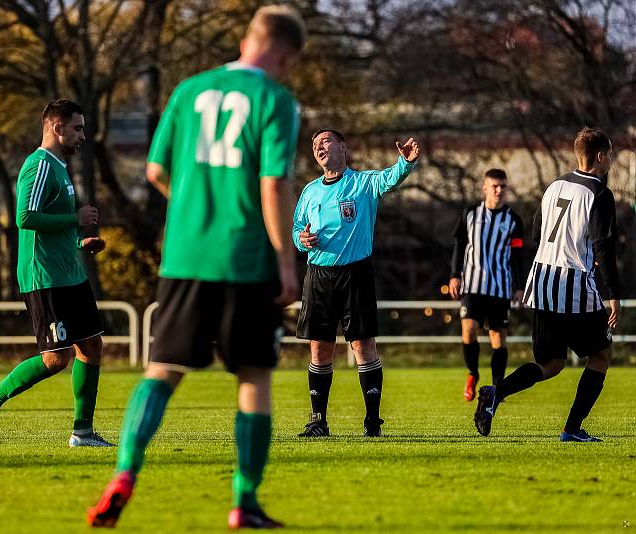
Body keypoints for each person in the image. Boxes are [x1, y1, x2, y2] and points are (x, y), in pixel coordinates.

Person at [86, 5, 305, 529]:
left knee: (162, 371)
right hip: (245, 259)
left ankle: (124, 473)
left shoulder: (187, 90)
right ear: (283, 52)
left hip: (184, 256)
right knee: (253, 378)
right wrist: (285, 261)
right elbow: (273, 184)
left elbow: (157, 169)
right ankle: (243, 502)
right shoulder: (275, 100)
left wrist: (189, 204)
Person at [0, 99, 111, 448]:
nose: (82, 135)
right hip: (44, 277)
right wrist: (74, 219)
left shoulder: (61, 167)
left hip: (69, 273)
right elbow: (25, 218)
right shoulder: (40, 165)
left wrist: (80, 240)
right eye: (77, 128)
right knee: (55, 359)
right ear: (57, 127)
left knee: (91, 347)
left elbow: (52, 225)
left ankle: (83, 432)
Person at [474, 126, 621, 442]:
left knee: (550, 364)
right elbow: (603, 247)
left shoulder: (554, 186)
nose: (610, 159)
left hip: (541, 284)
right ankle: (572, 429)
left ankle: (495, 393)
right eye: (609, 153)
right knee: (601, 355)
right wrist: (612, 295)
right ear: (600, 156)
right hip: (573, 287)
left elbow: (537, 235)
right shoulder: (599, 193)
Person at [293, 129, 419, 438]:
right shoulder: (310, 191)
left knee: (363, 346)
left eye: (325, 141)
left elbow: (389, 178)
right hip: (318, 276)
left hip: (355, 274)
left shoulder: (362, 184)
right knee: (320, 349)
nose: (319, 147)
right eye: (314, 144)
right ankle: (318, 421)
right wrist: (302, 239)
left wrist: (405, 163)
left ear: (343, 147)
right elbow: (297, 228)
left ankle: (372, 423)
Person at [448, 169, 525, 401]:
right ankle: (472, 374)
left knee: (498, 339)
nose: (499, 190)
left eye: (503, 186)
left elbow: (518, 256)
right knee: (469, 332)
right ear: (485, 188)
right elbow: (459, 245)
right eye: (494, 186)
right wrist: (454, 274)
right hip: (472, 285)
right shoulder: (470, 214)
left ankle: (497, 388)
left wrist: (519, 286)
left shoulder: (514, 220)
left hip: (500, 288)